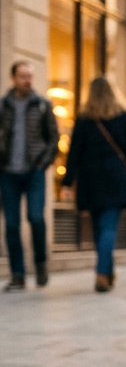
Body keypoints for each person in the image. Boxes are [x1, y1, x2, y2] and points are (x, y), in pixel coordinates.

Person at [62, 76, 126, 292]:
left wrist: (67, 182)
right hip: (115, 178)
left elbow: (74, 152)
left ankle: (105, 271)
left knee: (100, 229)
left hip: (91, 180)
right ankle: (104, 273)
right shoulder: (122, 117)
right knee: (107, 229)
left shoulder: (84, 119)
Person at [0, 61, 59, 291]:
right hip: (8, 172)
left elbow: (54, 139)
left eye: (30, 76)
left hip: (34, 171)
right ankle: (18, 274)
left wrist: (42, 164)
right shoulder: (4, 106)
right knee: (12, 224)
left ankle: (41, 263)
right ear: (13, 78)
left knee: (36, 218)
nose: (27, 80)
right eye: (23, 76)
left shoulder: (42, 105)